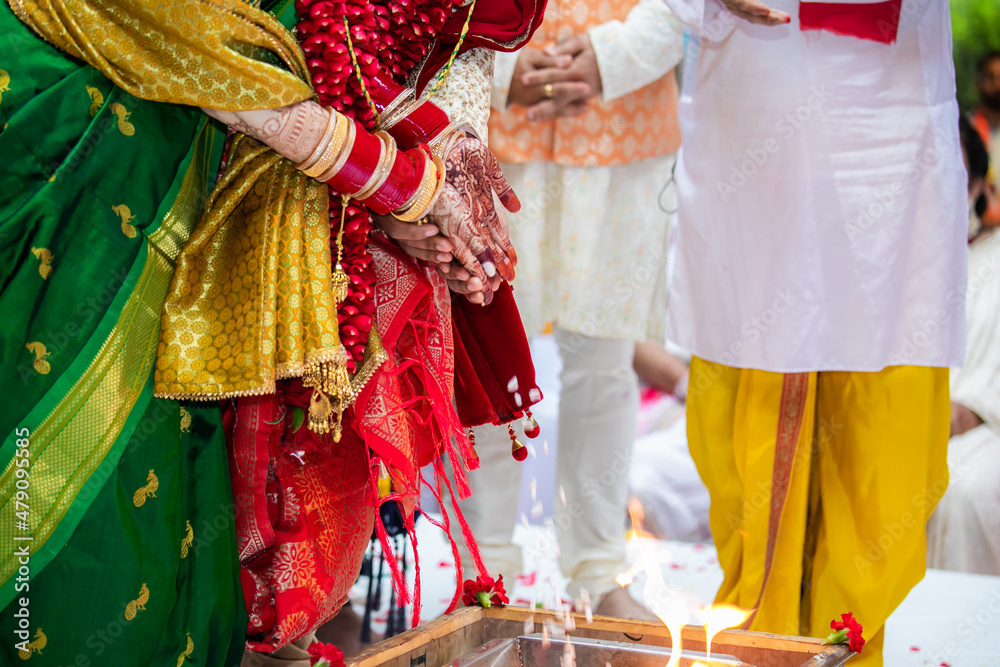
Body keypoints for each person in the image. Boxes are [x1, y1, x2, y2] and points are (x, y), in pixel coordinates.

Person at [0, 0, 545, 664]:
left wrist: (446, 146)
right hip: (77, 161)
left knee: (163, 511)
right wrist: (403, 184)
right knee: (70, 502)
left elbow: (405, 32)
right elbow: (209, 52)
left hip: (209, 169)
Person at [660, 0, 967, 664]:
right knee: (750, 419)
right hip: (758, 114)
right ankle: (756, 641)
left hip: (891, 121)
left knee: (883, 445)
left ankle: (849, 646)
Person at [454, 0, 686, 618]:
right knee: (492, 356)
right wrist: (496, 61)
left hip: (624, 120)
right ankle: (484, 571)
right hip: (495, 119)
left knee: (606, 363)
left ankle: (599, 571)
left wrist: (615, 58)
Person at [927, 117, 1000, 577]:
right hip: (886, 423)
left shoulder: (992, 262)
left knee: (957, 490)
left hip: (979, 431)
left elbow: (978, 398)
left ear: (976, 184)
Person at [970, 51, 1000, 229]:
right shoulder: (965, 130)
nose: (997, 85)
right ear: (978, 81)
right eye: (991, 77)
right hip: (979, 239)